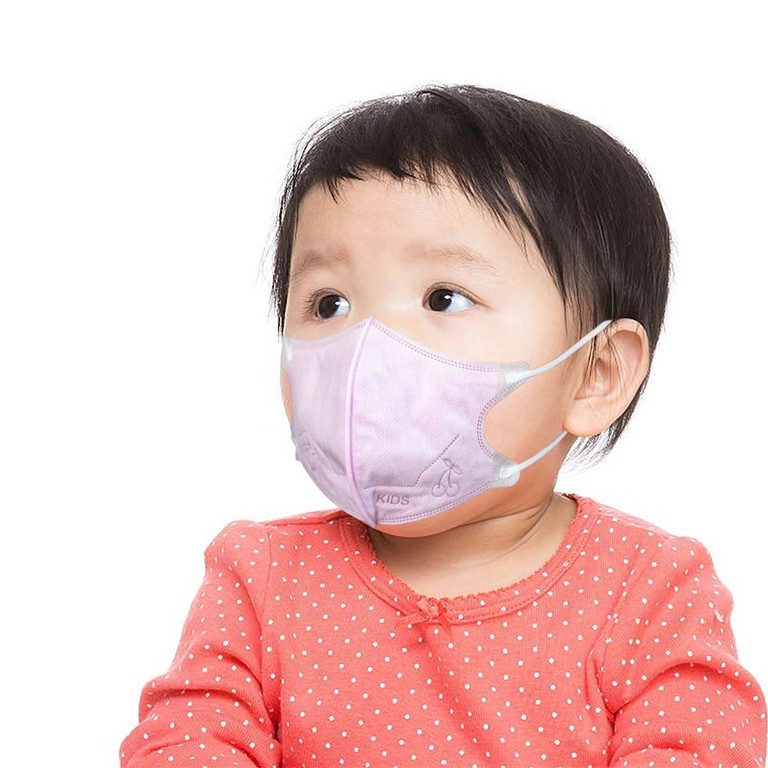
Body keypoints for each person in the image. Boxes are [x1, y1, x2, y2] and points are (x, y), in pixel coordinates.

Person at [120, 85, 766, 767]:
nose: (369, 349)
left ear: (596, 373)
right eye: (329, 303)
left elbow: (700, 751)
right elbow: (185, 742)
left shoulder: (649, 589)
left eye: (444, 298)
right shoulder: (261, 577)